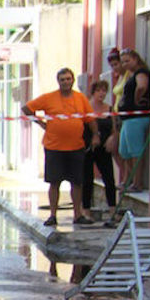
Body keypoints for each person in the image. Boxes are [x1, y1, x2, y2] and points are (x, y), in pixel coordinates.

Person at [22, 68, 100, 226]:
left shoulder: (80, 98)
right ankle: (52, 215)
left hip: (76, 147)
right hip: (54, 147)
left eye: (68, 79)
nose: (66, 82)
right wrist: (41, 123)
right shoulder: (49, 98)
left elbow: (90, 118)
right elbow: (26, 108)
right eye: (62, 79)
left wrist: (96, 135)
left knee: (77, 183)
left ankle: (78, 215)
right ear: (58, 81)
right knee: (54, 182)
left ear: (73, 81)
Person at [116, 49, 150, 192]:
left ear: (136, 59)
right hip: (128, 118)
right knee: (124, 151)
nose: (125, 64)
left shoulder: (141, 72)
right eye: (123, 61)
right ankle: (128, 179)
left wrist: (137, 99)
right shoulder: (129, 75)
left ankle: (137, 183)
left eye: (127, 60)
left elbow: (142, 86)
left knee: (135, 151)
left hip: (136, 118)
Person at [83, 80, 117, 212]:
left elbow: (114, 128)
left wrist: (112, 138)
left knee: (109, 178)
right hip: (88, 147)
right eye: (99, 90)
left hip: (104, 148)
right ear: (93, 92)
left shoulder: (109, 108)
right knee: (87, 179)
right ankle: (86, 209)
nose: (102, 93)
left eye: (104, 90)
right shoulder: (86, 108)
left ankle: (112, 208)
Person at [105, 49, 128, 184]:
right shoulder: (118, 77)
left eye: (116, 64)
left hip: (124, 115)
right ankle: (125, 174)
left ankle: (126, 177)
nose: (115, 68)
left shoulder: (127, 76)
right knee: (115, 149)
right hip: (117, 115)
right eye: (112, 65)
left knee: (121, 148)